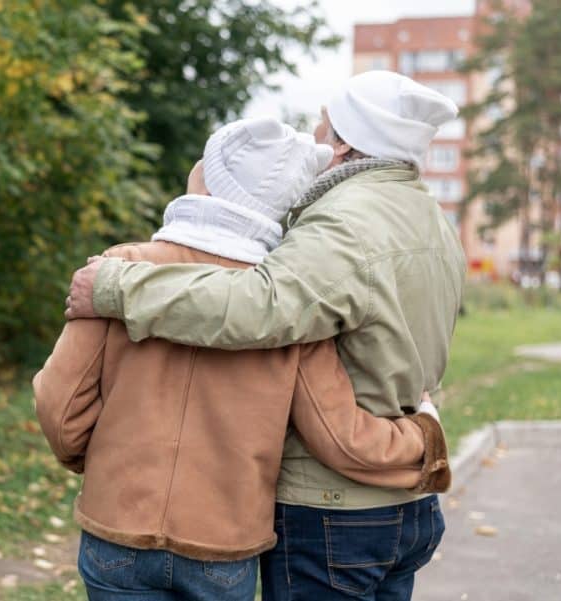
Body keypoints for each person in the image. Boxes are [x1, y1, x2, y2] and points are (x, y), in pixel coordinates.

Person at [64, 71, 465, 600]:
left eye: (323, 126)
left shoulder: (345, 222)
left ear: (344, 140)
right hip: (406, 509)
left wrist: (117, 287)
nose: (315, 140)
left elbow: (259, 304)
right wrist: (423, 433)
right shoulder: (430, 218)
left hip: (333, 510)